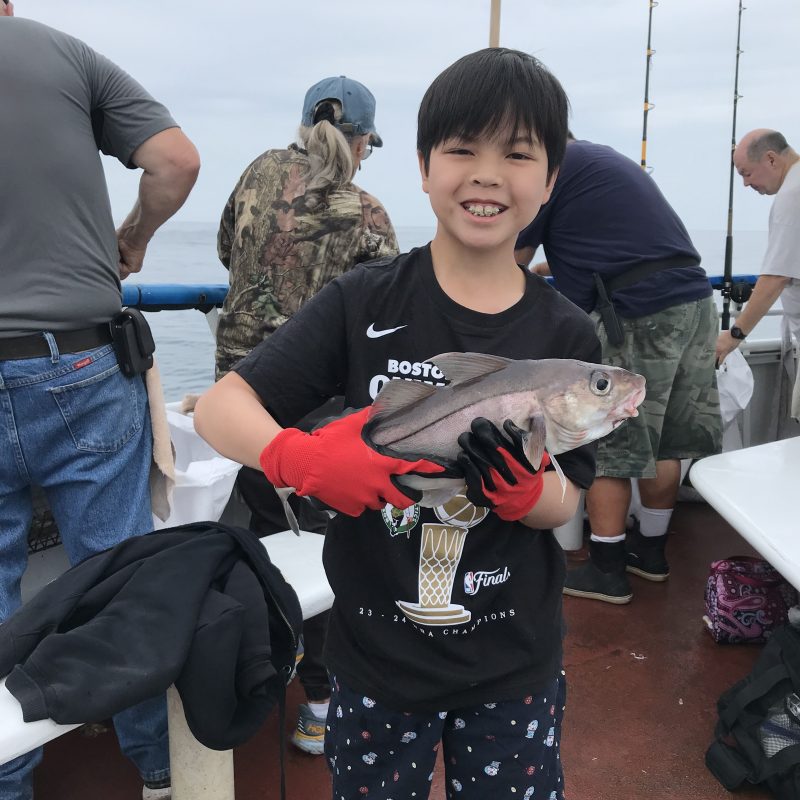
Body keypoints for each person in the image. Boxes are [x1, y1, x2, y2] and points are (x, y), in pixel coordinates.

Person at [195, 47, 599, 800]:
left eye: (516, 154)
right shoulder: (363, 302)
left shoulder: (570, 337)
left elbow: (568, 502)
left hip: (515, 664)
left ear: (549, 179)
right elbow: (223, 408)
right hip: (373, 660)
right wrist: (296, 460)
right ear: (421, 165)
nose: (486, 173)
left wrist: (528, 492)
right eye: (461, 149)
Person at [0, 8, 200, 800]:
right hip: (78, 361)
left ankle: (7, 782)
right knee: (119, 579)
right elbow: (175, 162)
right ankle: (156, 769)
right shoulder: (60, 52)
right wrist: (135, 239)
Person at [214, 75, 398, 754]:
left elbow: (228, 248)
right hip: (316, 415)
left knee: (267, 539)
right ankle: (321, 703)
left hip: (238, 405)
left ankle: (269, 666)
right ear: (359, 141)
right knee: (325, 553)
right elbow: (391, 307)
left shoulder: (258, 171)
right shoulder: (366, 210)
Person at [515, 136, 721, 605]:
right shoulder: (596, 160)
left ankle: (607, 568)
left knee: (605, 436)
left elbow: (512, 259)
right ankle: (649, 553)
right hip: (692, 301)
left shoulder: (551, 169)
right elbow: (601, 252)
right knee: (664, 438)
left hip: (638, 312)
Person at [716, 130, 800, 418]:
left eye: (747, 173)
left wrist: (734, 335)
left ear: (771, 159)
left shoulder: (792, 195)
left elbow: (775, 278)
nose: (745, 183)